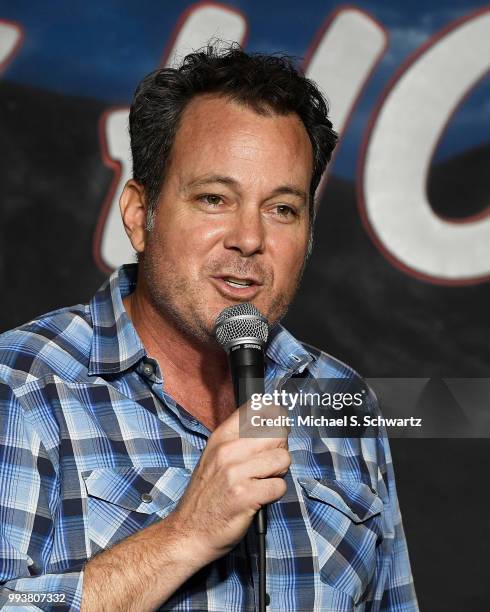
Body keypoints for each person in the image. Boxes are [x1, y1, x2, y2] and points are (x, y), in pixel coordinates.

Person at [0, 45, 418, 611]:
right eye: (214, 198)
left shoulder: (343, 403)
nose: (249, 238)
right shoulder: (21, 387)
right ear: (137, 217)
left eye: (282, 209)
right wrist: (186, 533)